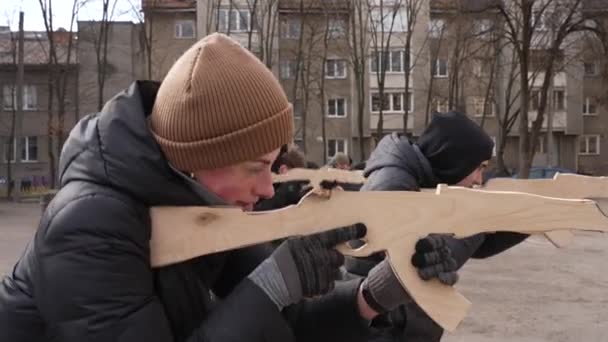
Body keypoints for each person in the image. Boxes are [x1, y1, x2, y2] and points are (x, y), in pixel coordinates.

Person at [0, 33, 432, 342]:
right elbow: (264, 301)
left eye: (274, 166)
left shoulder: (198, 209)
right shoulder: (89, 224)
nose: (267, 188)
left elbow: (289, 320)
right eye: (255, 167)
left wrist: (373, 294)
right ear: (197, 161)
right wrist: (269, 286)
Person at [344, 111, 529, 342]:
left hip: (398, 325)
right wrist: (478, 220)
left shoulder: (421, 180)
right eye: (478, 167)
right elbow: (416, 262)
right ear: (456, 160)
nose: (479, 180)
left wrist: (529, 219)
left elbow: (477, 246)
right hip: (381, 327)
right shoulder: (390, 184)